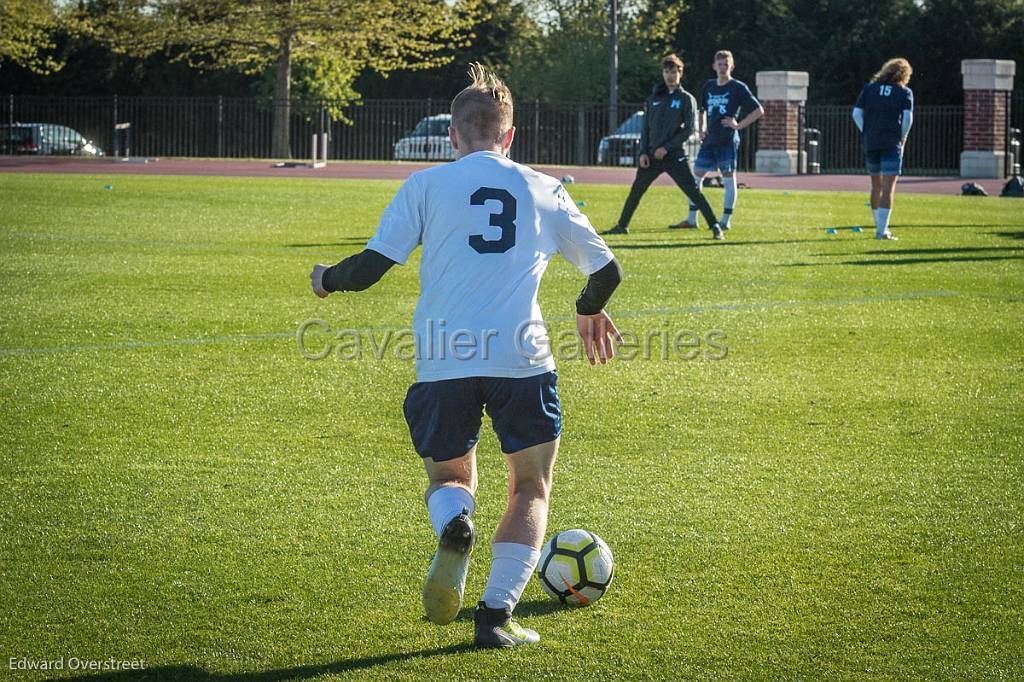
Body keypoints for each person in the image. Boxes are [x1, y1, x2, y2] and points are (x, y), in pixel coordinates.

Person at [309, 63, 623, 649]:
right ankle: (495, 617)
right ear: (510, 136)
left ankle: (454, 523)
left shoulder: (424, 185)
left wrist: (327, 278)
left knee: (450, 477)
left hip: (443, 358)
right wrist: (586, 307)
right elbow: (607, 271)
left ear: (454, 136)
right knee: (529, 488)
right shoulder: (543, 187)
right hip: (522, 358)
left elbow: (374, 265)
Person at [603, 54, 725, 240]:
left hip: (674, 155)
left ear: (680, 73)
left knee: (693, 190)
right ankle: (622, 225)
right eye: (667, 72)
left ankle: (715, 226)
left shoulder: (686, 99)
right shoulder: (653, 98)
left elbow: (689, 129)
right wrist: (643, 152)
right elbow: (646, 128)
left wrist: (666, 148)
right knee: (636, 190)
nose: (670, 76)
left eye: (673, 72)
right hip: (651, 157)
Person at [672, 50, 763, 231]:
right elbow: (702, 109)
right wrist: (701, 129)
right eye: (720, 64)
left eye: (726, 64)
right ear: (714, 66)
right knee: (696, 175)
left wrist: (738, 125)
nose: (723, 68)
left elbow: (758, 110)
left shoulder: (738, 87)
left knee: (728, 178)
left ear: (732, 66)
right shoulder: (709, 86)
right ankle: (692, 219)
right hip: (710, 139)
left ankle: (725, 220)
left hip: (727, 140)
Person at [852, 58, 914, 240]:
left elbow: (856, 113)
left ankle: (878, 224)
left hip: (871, 142)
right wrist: (902, 137)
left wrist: (866, 131)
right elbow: (908, 118)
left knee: (875, 186)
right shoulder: (904, 92)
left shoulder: (869, 89)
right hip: (891, 142)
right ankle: (881, 230)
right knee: (888, 188)